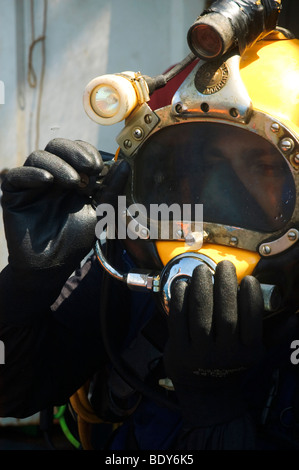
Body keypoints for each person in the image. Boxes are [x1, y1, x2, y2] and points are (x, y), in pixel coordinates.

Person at [0, 0, 299, 451]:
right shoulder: (140, 265)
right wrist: (26, 288)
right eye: (206, 163)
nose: (219, 194)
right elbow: (15, 391)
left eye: (260, 166)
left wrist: (215, 409)